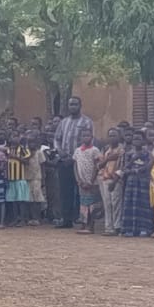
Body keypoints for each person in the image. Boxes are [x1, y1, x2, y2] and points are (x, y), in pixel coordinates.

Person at [53, 97, 94, 228]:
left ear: (80, 105)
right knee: (65, 191)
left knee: (81, 190)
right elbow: (57, 139)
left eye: (75, 104)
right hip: (64, 161)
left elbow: (89, 140)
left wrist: (75, 156)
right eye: (71, 104)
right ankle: (66, 219)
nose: (73, 107)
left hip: (80, 161)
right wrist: (60, 151)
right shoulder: (63, 122)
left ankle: (81, 218)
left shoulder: (87, 122)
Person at [120, 132, 154, 237]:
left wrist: (137, 170)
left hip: (143, 181)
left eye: (139, 139)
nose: (136, 141)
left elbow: (149, 166)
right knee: (130, 203)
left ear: (143, 141)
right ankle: (129, 229)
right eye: (135, 139)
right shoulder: (129, 153)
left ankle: (143, 229)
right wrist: (133, 161)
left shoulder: (147, 154)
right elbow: (125, 168)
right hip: (131, 181)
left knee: (143, 204)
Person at [72, 129, 102, 235]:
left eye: (88, 136)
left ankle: (91, 225)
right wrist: (79, 180)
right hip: (81, 182)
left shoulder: (95, 150)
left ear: (92, 137)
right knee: (83, 203)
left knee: (92, 204)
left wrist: (91, 181)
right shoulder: (77, 150)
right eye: (83, 136)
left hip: (92, 182)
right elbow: (75, 166)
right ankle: (84, 224)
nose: (85, 138)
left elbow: (97, 167)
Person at [97, 128, 126, 236]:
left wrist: (115, 181)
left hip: (116, 180)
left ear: (119, 137)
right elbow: (99, 165)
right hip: (105, 179)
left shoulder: (122, 150)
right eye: (110, 135)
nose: (112, 138)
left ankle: (117, 226)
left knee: (116, 204)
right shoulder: (106, 150)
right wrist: (108, 159)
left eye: (114, 135)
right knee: (107, 204)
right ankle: (108, 227)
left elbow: (122, 167)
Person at [5, 134, 31, 227]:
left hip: (20, 178)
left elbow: (27, 161)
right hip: (11, 178)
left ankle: (23, 219)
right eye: (13, 137)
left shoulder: (23, 149)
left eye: (16, 137)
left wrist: (16, 157)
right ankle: (16, 219)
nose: (14, 139)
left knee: (21, 200)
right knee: (13, 201)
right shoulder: (8, 150)